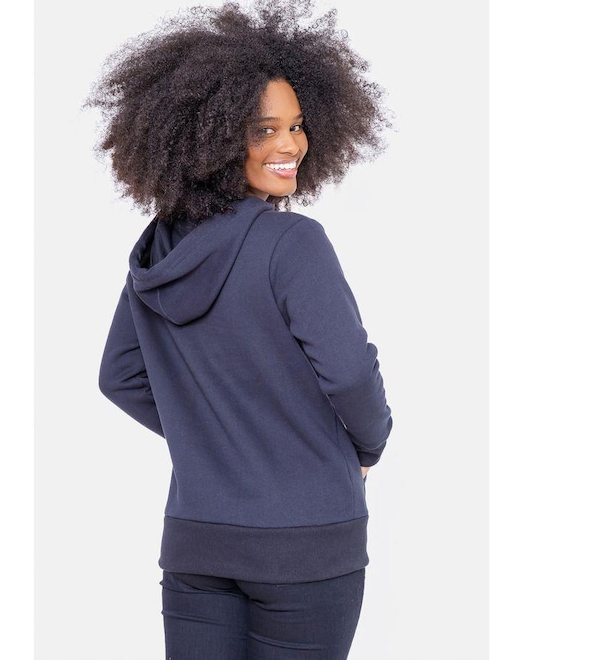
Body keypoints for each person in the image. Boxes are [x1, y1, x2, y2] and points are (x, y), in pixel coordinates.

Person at [85, 0, 393, 657]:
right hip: (305, 544)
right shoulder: (292, 243)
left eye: (297, 126)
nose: (291, 146)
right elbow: (349, 374)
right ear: (214, 138)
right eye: (264, 130)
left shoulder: (158, 248)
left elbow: (119, 376)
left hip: (197, 543)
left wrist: (214, 438)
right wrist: (366, 446)